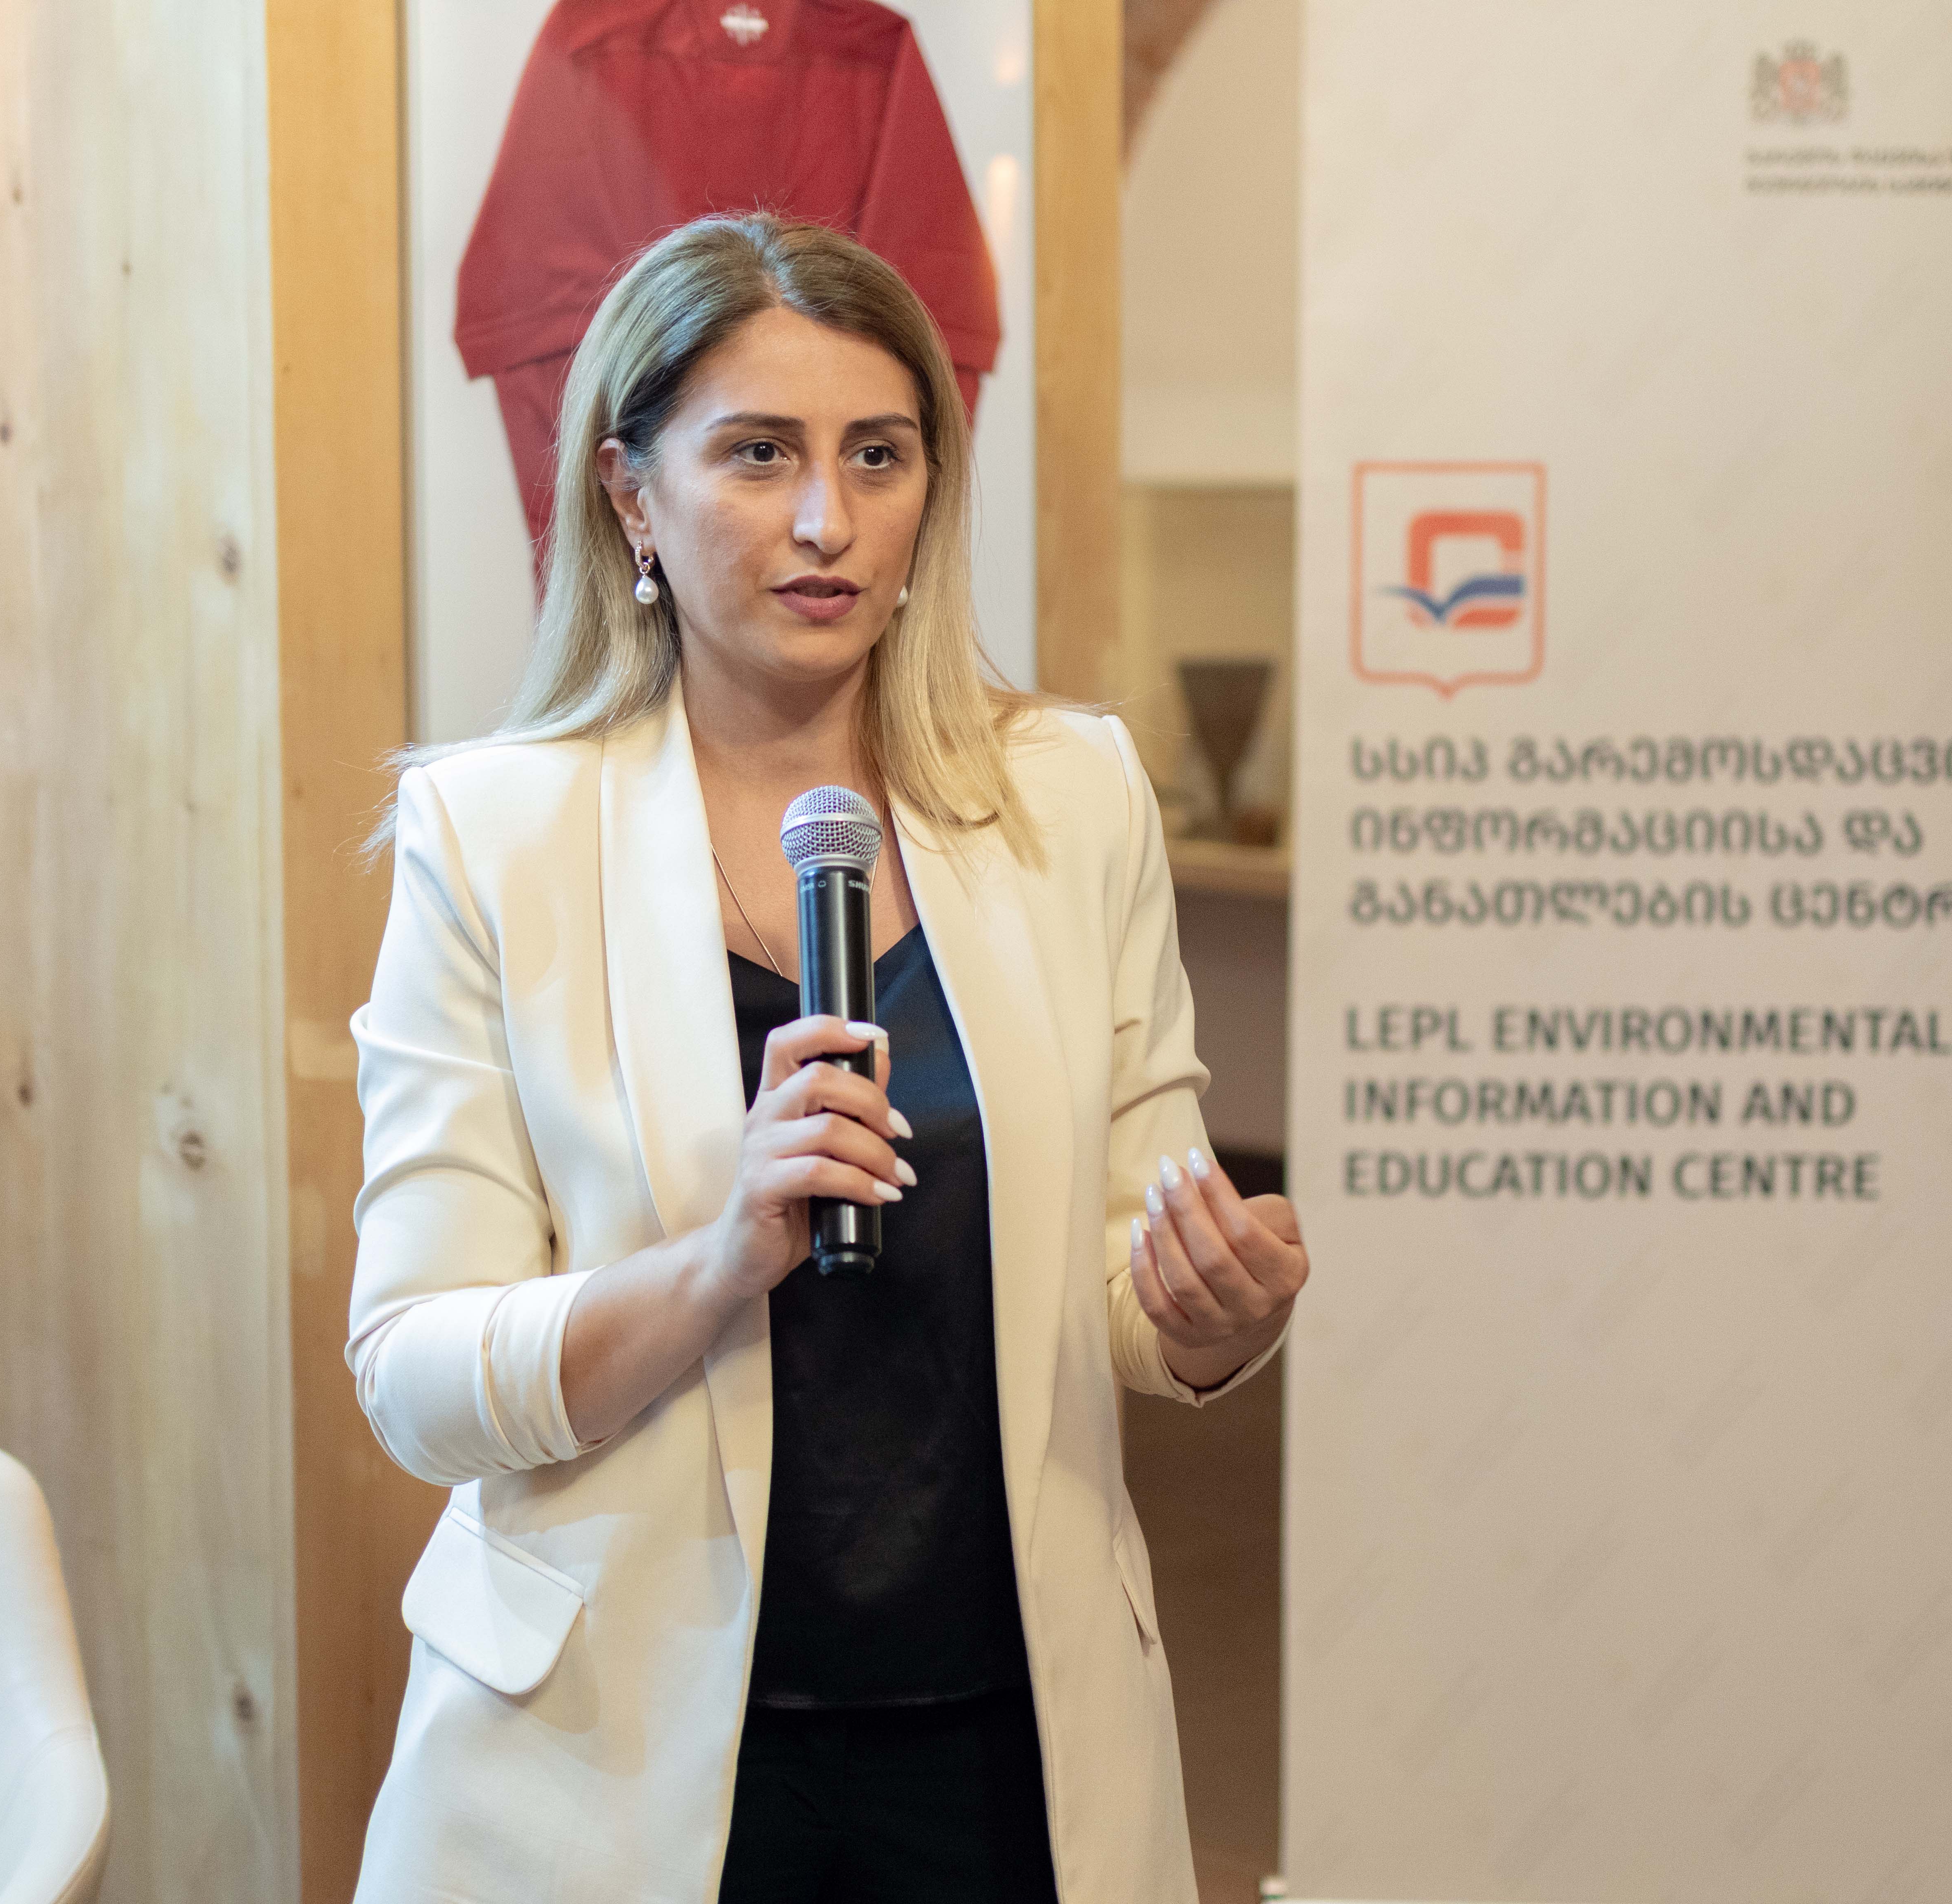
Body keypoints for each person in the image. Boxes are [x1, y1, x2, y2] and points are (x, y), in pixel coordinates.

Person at [345, 213, 1309, 1904]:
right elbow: (415, 1372)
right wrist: (713, 1263)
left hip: (1005, 1746)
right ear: (630, 495)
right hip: (614, 1762)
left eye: (878, 454)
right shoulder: (493, 837)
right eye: (758, 454)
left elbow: (1125, 1276)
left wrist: (1212, 1314)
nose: (826, 520)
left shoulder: (1069, 798)